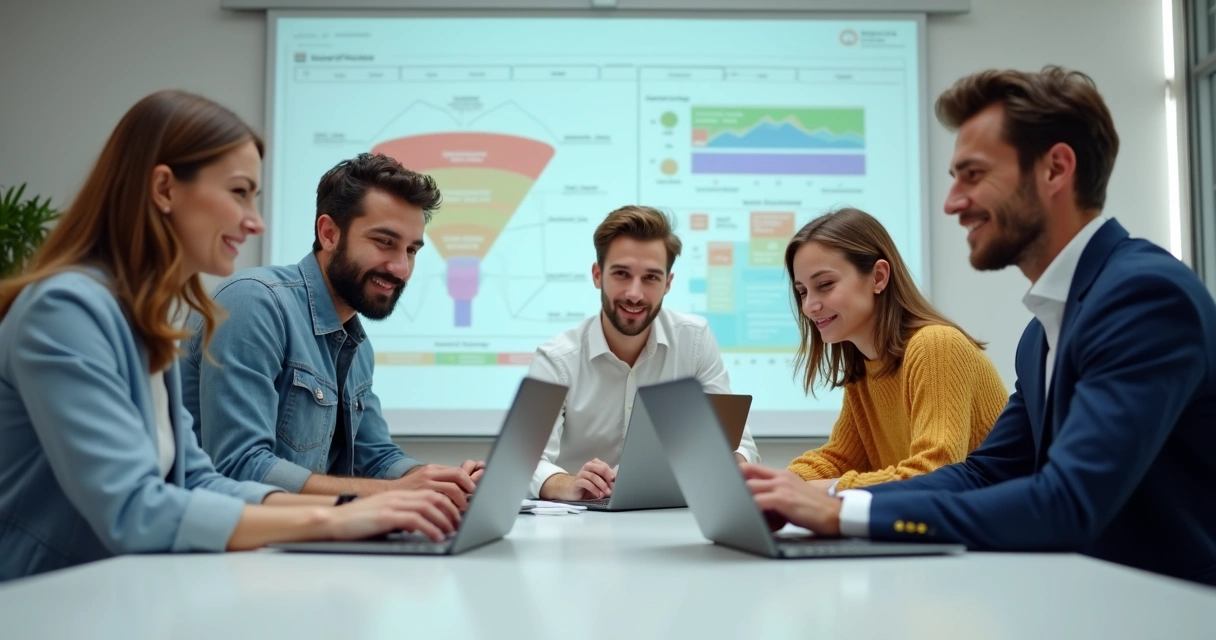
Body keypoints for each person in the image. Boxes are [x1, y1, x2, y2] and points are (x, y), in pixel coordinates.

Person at [741, 66, 1216, 586]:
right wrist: (814, 497)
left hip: (1169, 605)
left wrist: (843, 510)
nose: (952, 203)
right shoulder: (1040, 335)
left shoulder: (1144, 297)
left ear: (1055, 169)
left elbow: (1068, 501)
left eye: (973, 175)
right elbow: (982, 472)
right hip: (1092, 594)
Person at [0, 91, 459, 581]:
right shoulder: (64, 310)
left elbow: (197, 481)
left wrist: (376, 506)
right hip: (46, 600)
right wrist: (339, 518)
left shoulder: (140, 321)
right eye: (239, 192)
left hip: (120, 592)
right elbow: (134, 509)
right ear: (164, 188)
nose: (255, 221)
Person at [181, 153, 483, 507]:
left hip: (301, 535)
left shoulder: (356, 344)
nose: (401, 268)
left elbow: (376, 458)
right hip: (222, 538)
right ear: (329, 234)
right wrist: (399, 491)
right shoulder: (253, 302)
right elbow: (241, 467)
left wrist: (444, 481)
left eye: (411, 250)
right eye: (384, 242)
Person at [529, 205, 760, 501]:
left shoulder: (695, 340)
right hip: (581, 519)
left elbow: (740, 446)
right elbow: (527, 463)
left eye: (650, 277)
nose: (635, 294)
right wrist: (569, 484)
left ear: (667, 284)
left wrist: (729, 464)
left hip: (671, 515)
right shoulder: (556, 360)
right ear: (597, 275)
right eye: (621, 274)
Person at [783, 208, 1007, 493]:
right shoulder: (866, 365)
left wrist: (821, 490)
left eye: (825, 285)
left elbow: (933, 474)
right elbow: (839, 459)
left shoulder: (936, 345)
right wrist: (774, 483)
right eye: (802, 291)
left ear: (878, 276)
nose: (809, 306)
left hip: (996, 521)